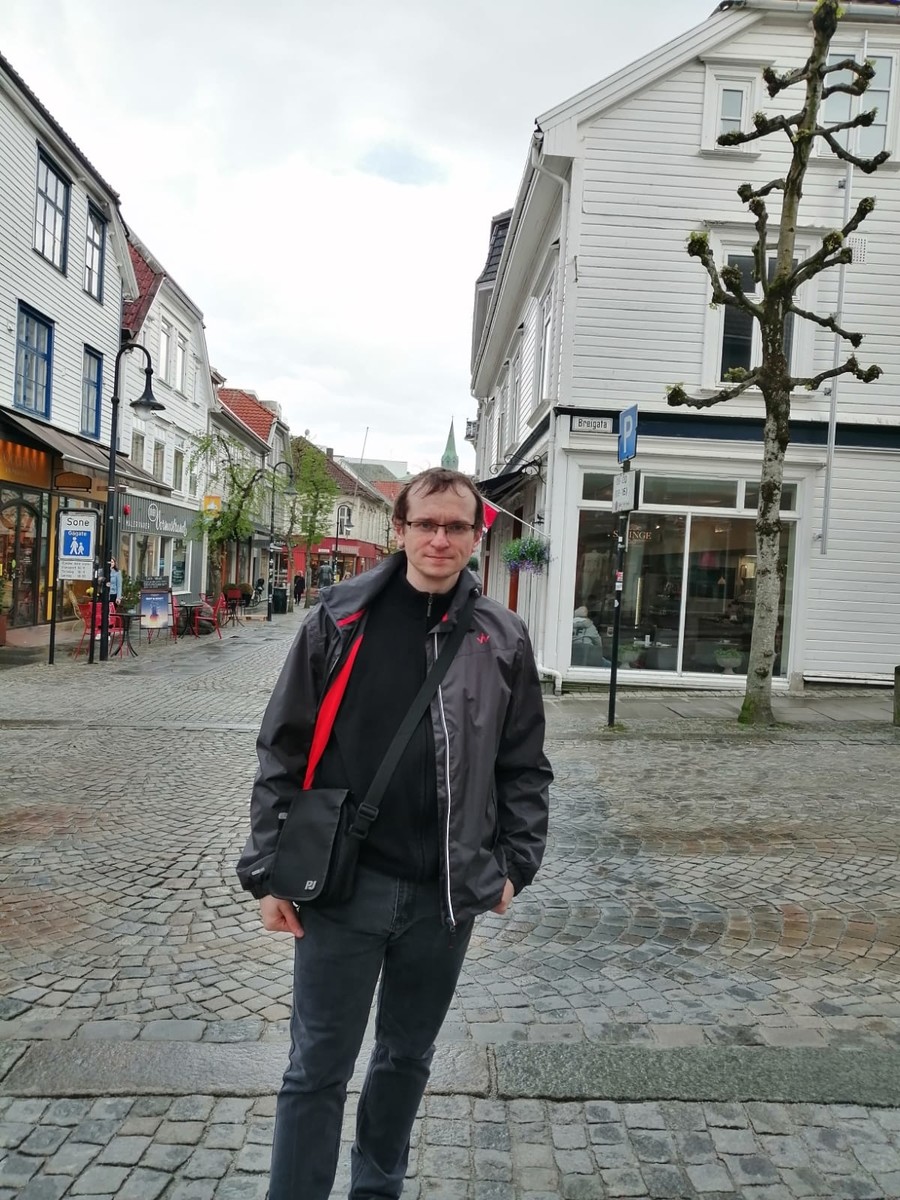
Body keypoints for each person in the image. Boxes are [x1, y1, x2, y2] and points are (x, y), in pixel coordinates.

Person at [237, 466, 552, 1200]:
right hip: (344, 887)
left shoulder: (501, 638)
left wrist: (514, 866)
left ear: (477, 536)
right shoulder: (337, 622)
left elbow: (524, 766)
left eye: (456, 527)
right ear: (400, 530)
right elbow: (282, 748)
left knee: (406, 1059)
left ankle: (376, 1190)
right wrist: (268, 869)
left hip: (444, 896)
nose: (440, 539)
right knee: (316, 1068)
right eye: (426, 524)